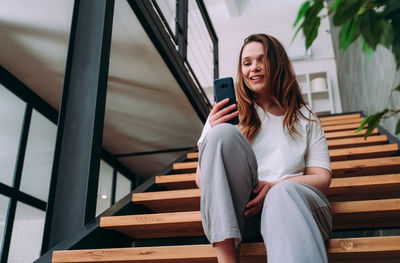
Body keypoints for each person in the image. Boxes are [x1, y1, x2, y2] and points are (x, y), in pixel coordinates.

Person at [195, 33, 332, 263]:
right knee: (222, 134)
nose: (254, 68)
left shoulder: (305, 116)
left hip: (296, 209)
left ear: (277, 63)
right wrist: (212, 128)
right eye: (247, 63)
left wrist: (274, 186)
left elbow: (322, 178)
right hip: (245, 215)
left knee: (281, 194)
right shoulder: (226, 113)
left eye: (262, 60)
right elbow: (202, 179)